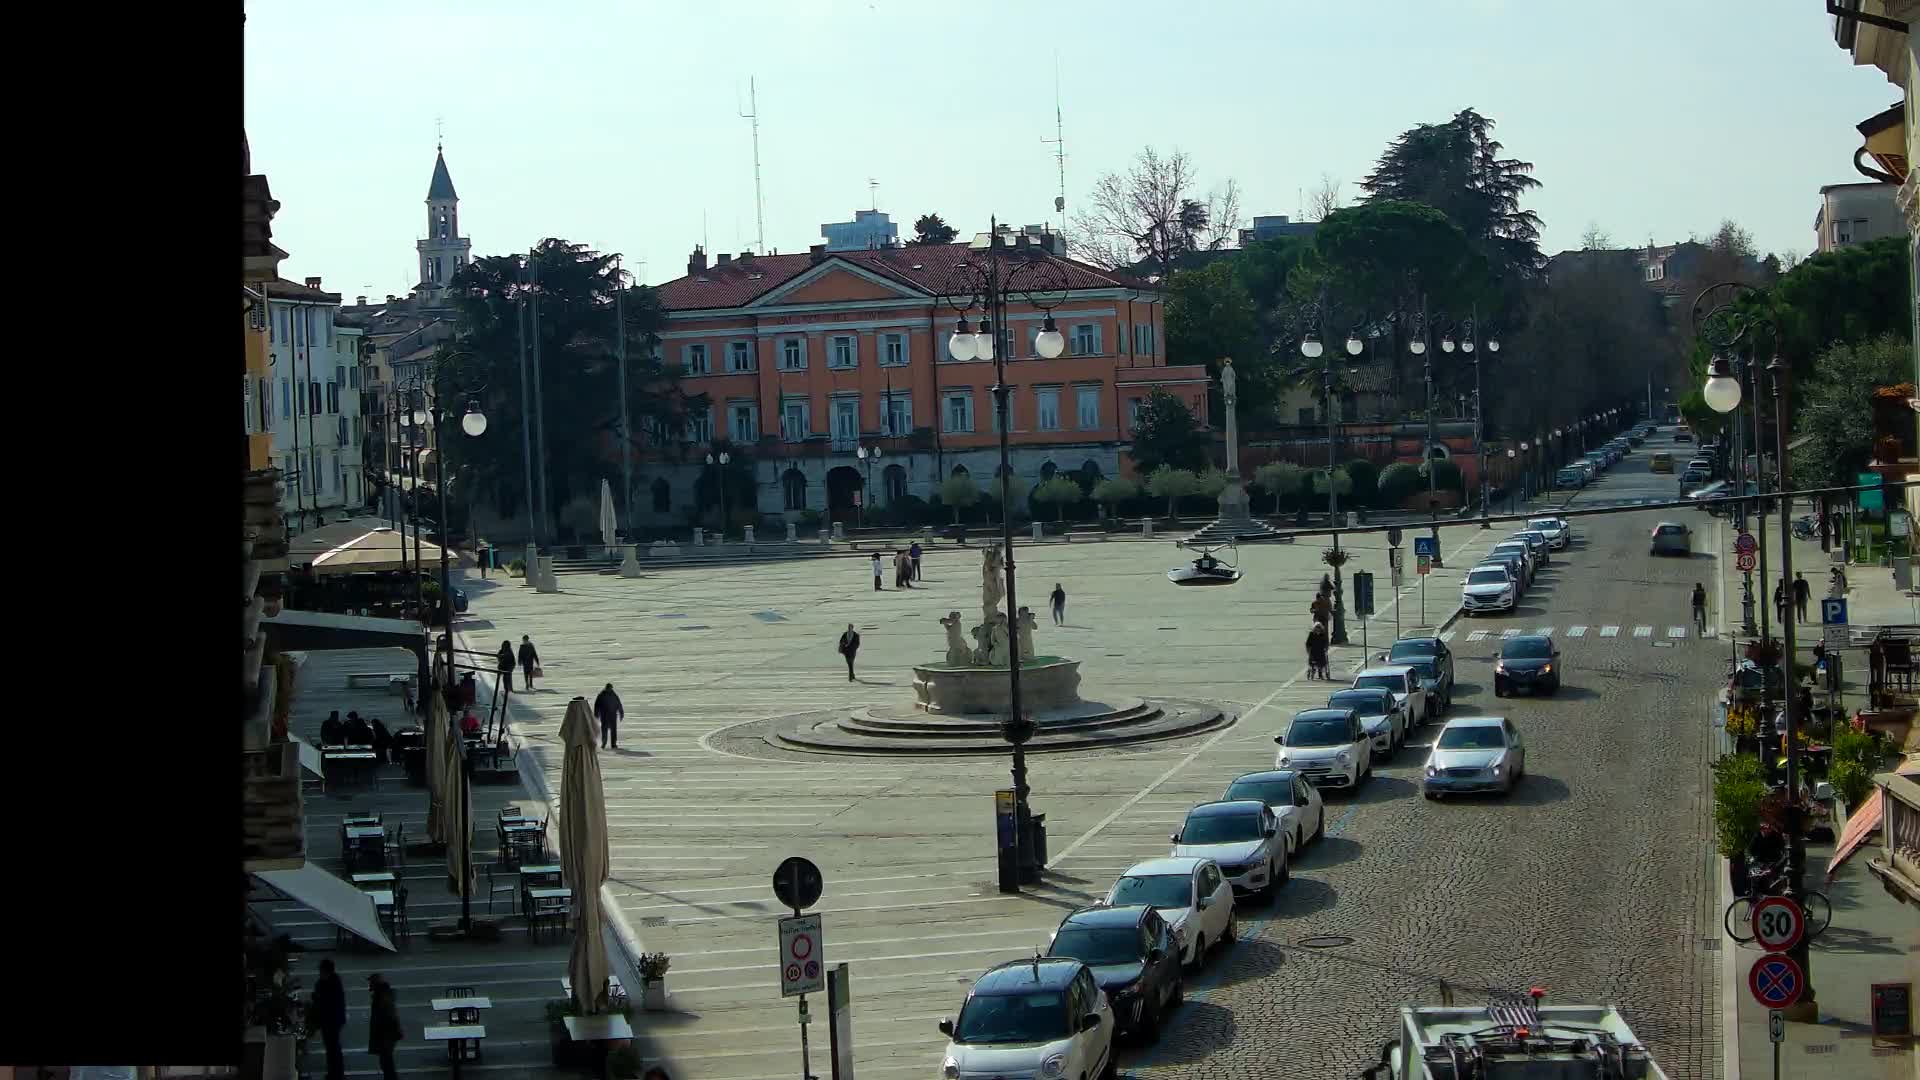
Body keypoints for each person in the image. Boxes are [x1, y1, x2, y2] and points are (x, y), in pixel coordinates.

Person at [310, 958, 347, 1080]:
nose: (320, 973)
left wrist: (316, 997)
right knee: (332, 1048)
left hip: (331, 1021)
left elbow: (326, 1003)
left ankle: (336, 1074)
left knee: (333, 1048)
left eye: (321, 971)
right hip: (333, 1020)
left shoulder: (329, 984)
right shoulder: (333, 982)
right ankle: (334, 1072)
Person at [366, 974, 404, 1080]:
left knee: (386, 1062)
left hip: (385, 1035)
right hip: (386, 1034)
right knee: (386, 1061)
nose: (369, 985)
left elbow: (389, 1016)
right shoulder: (383, 995)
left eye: (371, 983)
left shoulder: (382, 998)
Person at [594, 682, 624, 750]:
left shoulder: (614, 695)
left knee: (613, 730)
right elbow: (597, 705)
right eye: (609, 688)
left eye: (610, 688)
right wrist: (596, 714)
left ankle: (613, 744)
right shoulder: (601, 695)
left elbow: (619, 704)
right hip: (604, 715)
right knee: (604, 730)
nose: (610, 689)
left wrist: (621, 713)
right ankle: (604, 743)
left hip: (612, 715)